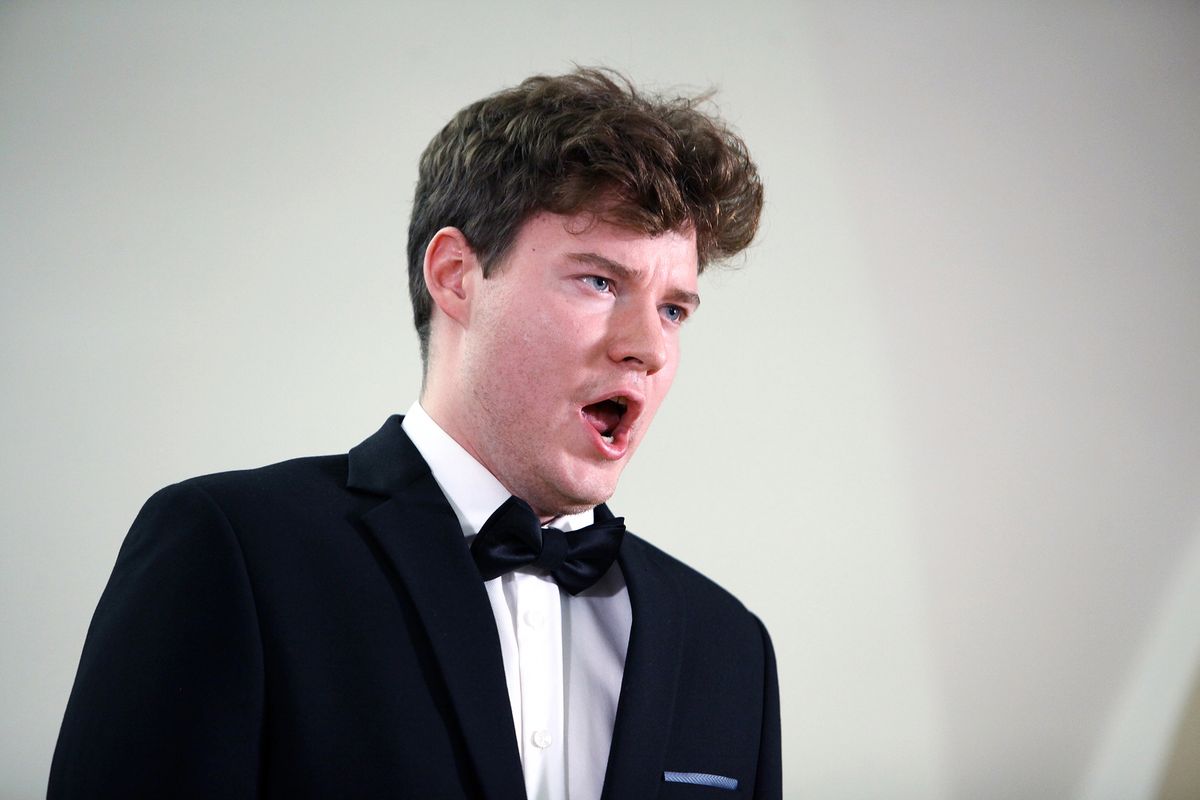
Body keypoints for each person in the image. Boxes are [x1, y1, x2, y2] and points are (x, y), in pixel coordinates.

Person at [49, 68, 780, 800]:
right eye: (600, 282)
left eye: (673, 310)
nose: (648, 348)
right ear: (456, 275)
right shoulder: (234, 552)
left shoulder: (729, 645)